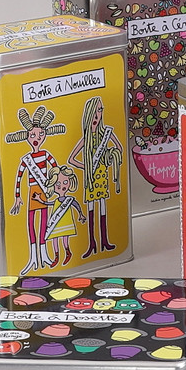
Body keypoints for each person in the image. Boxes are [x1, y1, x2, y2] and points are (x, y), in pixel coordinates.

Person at [6, 106, 66, 273]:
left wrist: (56, 186)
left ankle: (43, 253)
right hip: (32, 191)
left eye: (40, 135)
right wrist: (17, 196)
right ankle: (33, 256)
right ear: (26, 136)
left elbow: (56, 169)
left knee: (44, 222)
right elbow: (19, 177)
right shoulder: (26, 159)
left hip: (44, 190)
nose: (36, 138)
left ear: (45, 135)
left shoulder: (45, 154)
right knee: (31, 223)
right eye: (32, 135)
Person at [69, 95, 124, 256]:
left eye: (100, 110)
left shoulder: (106, 133)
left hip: (102, 177)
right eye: (94, 111)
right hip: (90, 179)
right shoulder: (86, 139)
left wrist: (110, 157)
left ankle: (104, 240)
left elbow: (119, 148)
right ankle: (92, 243)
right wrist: (86, 167)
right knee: (91, 207)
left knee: (103, 206)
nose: (96, 115)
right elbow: (71, 159)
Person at [44, 164, 86, 266]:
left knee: (65, 237)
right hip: (56, 223)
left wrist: (80, 214)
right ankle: (56, 256)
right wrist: (39, 200)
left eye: (65, 182)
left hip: (66, 222)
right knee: (54, 238)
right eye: (58, 183)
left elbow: (76, 205)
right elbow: (49, 203)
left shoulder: (69, 199)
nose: (61, 186)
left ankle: (67, 252)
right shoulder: (56, 200)